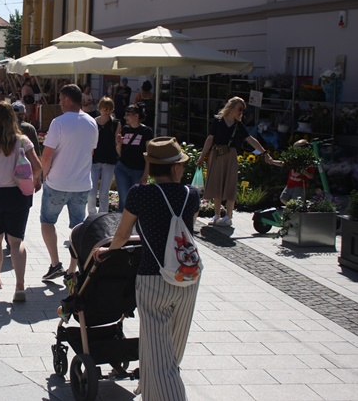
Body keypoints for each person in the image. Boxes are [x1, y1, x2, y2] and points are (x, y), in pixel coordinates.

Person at [96, 137, 200, 401]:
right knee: (172, 352)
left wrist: (109, 252)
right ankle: (152, 388)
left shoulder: (140, 194)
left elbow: (122, 233)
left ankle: (164, 393)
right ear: (175, 168)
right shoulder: (191, 194)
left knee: (157, 350)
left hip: (153, 278)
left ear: (151, 166)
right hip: (187, 277)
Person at [0, 102, 42, 302]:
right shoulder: (23, 141)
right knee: (16, 241)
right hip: (19, 194)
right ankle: (20, 285)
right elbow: (37, 167)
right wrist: (35, 182)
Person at [40, 84, 98, 281]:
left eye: (60, 100)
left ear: (66, 100)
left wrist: (44, 175)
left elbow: (47, 155)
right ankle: (73, 268)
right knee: (77, 226)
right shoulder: (92, 122)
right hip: (82, 183)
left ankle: (55, 263)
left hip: (58, 181)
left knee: (47, 221)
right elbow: (91, 152)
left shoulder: (58, 122)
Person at [197, 97, 271, 226]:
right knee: (216, 184)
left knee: (230, 185)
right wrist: (202, 156)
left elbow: (251, 139)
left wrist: (264, 152)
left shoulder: (238, 125)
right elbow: (210, 139)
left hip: (230, 155)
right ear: (232, 107)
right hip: (217, 154)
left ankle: (229, 216)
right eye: (239, 109)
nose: (241, 112)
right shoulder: (218, 121)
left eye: (242, 110)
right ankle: (216, 215)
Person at [115, 104, 153, 212]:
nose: (125, 117)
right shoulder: (125, 129)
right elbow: (119, 152)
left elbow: (148, 155)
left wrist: (146, 175)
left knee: (135, 200)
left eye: (128, 114)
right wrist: (119, 143)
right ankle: (120, 225)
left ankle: (133, 226)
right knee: (123, 199)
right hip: (122, 167)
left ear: (136, 116)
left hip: (138, 170)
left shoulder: (146, 131)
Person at [88, 97, 120, 215]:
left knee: (104, 192)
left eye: (110, 109)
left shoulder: (116, 123)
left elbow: (117, 142)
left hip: (109, 160)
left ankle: (102, 216)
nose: (107, 111)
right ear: (100, 108)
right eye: (105, 108)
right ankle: (91, 215)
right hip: (94, 160)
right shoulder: (93, 122)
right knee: (91, 192)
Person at [270, 139, 314, 205]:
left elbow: (311, 176)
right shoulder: (293, 160)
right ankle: (291, 208)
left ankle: (295, 211)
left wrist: (305, 173)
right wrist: (273, 162)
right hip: (290, 184)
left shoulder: (308, 163)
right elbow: (283, 163)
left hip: (299, 185)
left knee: (296, 201)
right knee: (283, 198)